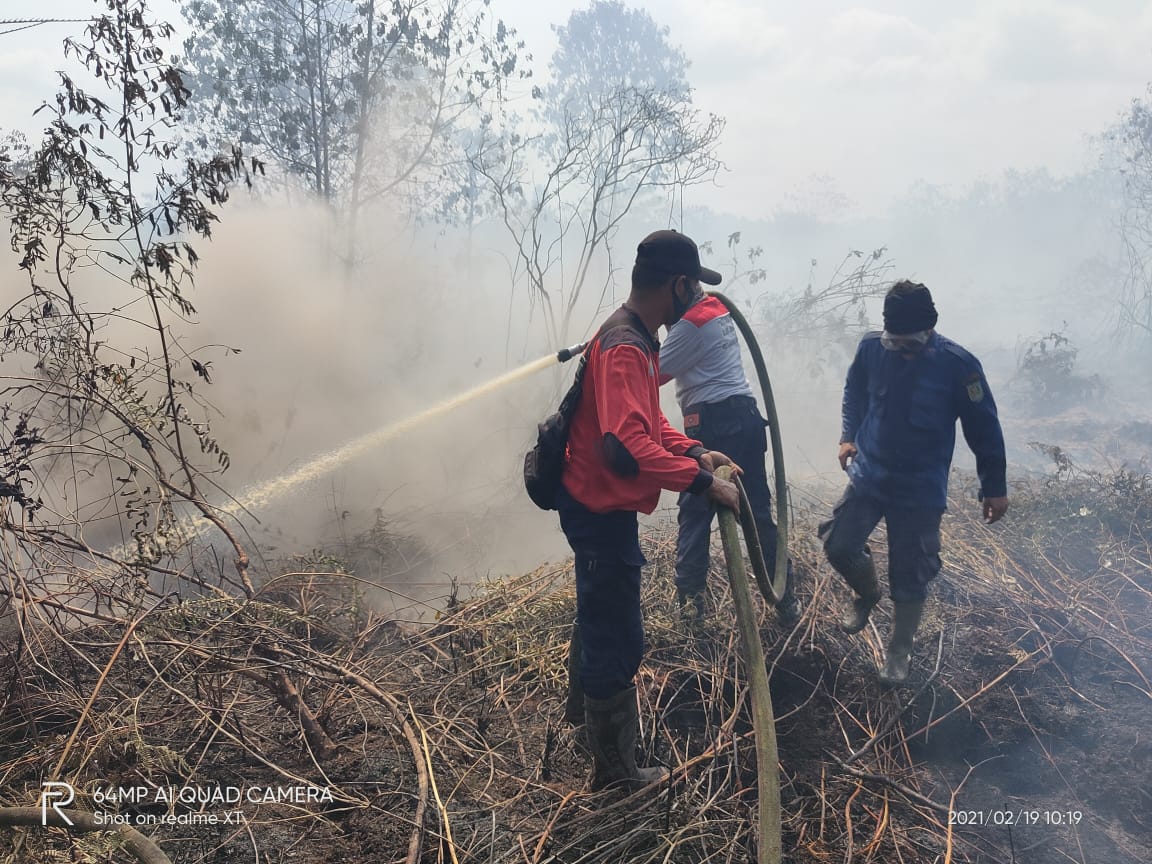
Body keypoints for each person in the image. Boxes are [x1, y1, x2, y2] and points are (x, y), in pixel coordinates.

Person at [557, 229, 742, 791]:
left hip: (599, 505)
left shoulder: (635, 337)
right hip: (596, 508)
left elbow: (646, 421)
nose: (697, 298)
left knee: (602, 616)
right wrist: (700, 483)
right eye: (694, 288)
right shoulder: (624, 345)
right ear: (678, 285)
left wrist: (692, 451)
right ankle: (614, 774)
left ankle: (582, 715)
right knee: (617, 636)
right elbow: (626, 447)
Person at [820, 280, 1009, 685]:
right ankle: (866, 594)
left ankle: (898, 652)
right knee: (839, 545)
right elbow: (854, 390)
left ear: (930, 329)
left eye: (912, 344)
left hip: (920, 489)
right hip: (870, 475)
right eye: (896, 343)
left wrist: (994, 486)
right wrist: (848, 435)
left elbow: (984, 428)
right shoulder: (871, 348)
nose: (902, 351)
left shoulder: (960, 366)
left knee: (910, 575)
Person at [658, 279, 802, 624]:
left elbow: (649, 373)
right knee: (758, 514)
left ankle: (690, 611)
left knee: (695, 513)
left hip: (716, 425)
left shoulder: (691, 325)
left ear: (679, 287)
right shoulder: (716, 310)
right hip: (744, 418)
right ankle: (786, 602)